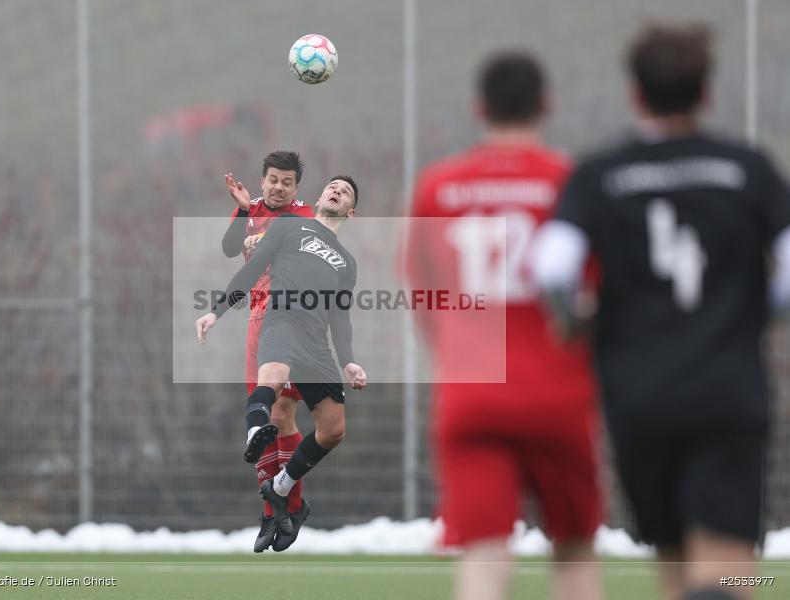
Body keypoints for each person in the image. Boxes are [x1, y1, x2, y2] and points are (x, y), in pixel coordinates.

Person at [531, 24, 790, 600]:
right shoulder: (746, 168)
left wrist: (573, 323)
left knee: (674, 565)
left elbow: (551, 266)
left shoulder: (601, 175)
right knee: (731, 568)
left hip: (638, 394)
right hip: (728, 388)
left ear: (636, 94)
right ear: (706, 94)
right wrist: (758, 312)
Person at [405, 52, 603, 600]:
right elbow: (595, 292)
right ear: (545, 104)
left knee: (484, 561)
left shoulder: (438, 186)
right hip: (557, 393)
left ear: (480, 108)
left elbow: (423, 295)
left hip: (471, 397)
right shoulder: (570, 182)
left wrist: (459, 356)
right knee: (574, 557)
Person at [198, 175, 367, 551]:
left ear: (351, 212)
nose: (337, 191)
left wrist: (349, 362)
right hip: (282, 322)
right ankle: (254, 434)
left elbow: (340, 315)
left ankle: (280, 487)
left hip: (316, 343)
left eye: (345, 192)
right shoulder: (290, 225)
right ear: (320, 196)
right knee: (271, 385)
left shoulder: (346, 261)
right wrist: (215, 312)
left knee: (333, 430)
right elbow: (251, 269)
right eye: (333, 187)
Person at [220, 151, 314, 552]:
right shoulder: (251, 210)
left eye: (286, 182)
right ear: (262, 181)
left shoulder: (304, 216)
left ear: (296, 187)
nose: (278, 187)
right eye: (273, 179)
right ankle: (274, 511)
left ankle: (290, 506)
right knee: (262, 422)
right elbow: (229, 249)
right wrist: (243, 211)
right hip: (257, 320)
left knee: (282, 412)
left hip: (293, 321)